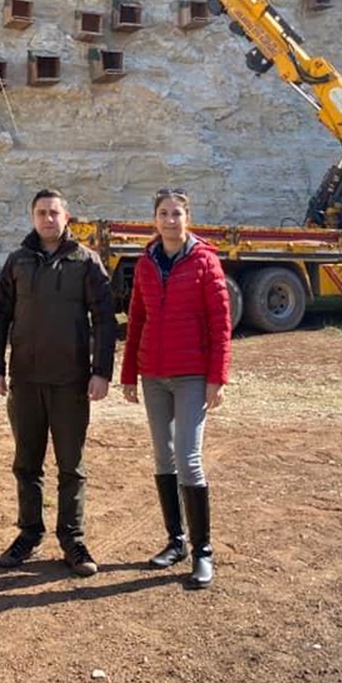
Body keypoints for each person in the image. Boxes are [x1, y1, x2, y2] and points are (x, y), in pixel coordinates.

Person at [0, 189, 117, 577]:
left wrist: (101, 371)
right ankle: (28, 534)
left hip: (71, 382)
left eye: (54, 212)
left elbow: (105, 320)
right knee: (27, 463)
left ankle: (72, 539)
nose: (47, 219)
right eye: (41, 213)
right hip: (25, 381)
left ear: (67, 217)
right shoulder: (17, 262)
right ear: (32, 217)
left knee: (71, 467)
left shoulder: (86, 262)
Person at [121, 187, 231, 589]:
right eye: (163, 213)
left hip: (191, 375)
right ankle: (176, 542)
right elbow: (136, 321)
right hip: (153, 374)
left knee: (188, 457)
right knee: (163, 457)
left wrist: (217, 377)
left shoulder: (205, 261)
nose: (170, 220)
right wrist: (129, 373)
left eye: (177, 213)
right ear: (154, 219)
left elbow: (220, 324)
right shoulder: (147, 263)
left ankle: (203, 552)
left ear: (188, 218)